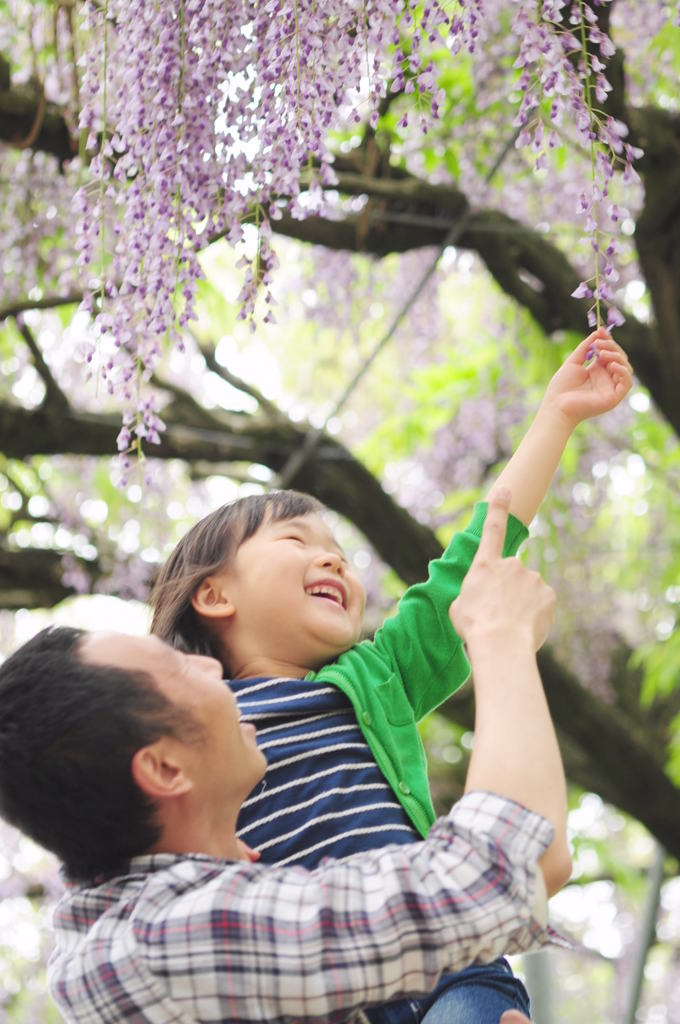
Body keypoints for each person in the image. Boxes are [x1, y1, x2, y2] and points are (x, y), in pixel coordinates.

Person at [149, 330, 632, 1022]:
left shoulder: (377, 675)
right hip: (324, 987)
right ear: (214, 595)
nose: (336, 563)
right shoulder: (192, 726)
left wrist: (556, 416)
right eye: (297, 543)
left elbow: (476, 556)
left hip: (450, 964)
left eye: (340, 554)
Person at [0, 490, 568, 1023]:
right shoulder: (173, 937)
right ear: (165, 769)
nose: (206, 669)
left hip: (455, 976)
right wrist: (502, 638)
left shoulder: (152, 923)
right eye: (176, 669)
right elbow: (500, 872)